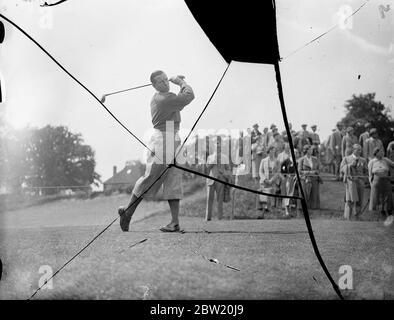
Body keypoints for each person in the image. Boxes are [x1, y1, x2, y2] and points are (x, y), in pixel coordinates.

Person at [118, 71, 195, 232]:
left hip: (174, 137)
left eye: (166, 79)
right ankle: (128, 212)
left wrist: (179, 84)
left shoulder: (167, 97)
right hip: (163, 138)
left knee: (173, 180)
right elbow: (188, 96)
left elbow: (180, 100)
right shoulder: (162, 99)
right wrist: (180, 82)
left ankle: (174, 223)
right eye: (160, 82)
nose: (165, 83)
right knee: (150, 178)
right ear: (154, 86)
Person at [205, 136, 232, 221]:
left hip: (221, 180)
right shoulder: (210, 157)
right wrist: (214, 161)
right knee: (209, 199)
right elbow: (207, 168)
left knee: (220, 200)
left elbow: (228, 169)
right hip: (211, 180)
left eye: (219, 146)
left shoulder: (225, 157)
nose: (218, 148)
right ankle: (208, 217)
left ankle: (220, 217)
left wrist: (225, 173)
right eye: (216, 146)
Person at [340, 144, 368, 220]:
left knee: (359, 200)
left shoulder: (363, 160)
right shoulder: (346, 158)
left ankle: (357, 217)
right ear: (353, 150)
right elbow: (342, 169)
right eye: (358, 149)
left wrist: (364, 180)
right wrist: (349, 165)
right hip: (350, 182)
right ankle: (348, 217)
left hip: (360, 182)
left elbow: (366, 171)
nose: (360, 151)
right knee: (349, 200)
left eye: (360, 149)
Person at [368, 147, 394, 226]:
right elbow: (369, 173)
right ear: (376, 153)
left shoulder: (385, 160)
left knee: (387, 195)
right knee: (376, 197)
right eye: (381, 152)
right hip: (376, 180)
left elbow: (393, 164)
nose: (382, 153)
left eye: (383, 152)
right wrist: (370, 182)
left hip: (386, 180)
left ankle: (388, 212)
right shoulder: (372, 161)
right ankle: (378, 214)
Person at [258, 145, 282, 217]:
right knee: (264, 197)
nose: (273, 151)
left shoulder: (277, 161)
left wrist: (272, 180)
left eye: (274, 150)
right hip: (265, 181)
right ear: (269, 151)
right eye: (271, 150)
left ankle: (272, 213)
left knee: (272, 197)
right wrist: (265, 179)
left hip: (273, 181)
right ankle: (263, 213)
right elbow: (260, 171)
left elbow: (278, 172)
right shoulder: (263, 160)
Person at [298, 144, 321, 210]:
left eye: (311, 149)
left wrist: (316, 172)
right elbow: (299, 171)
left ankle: (314, 207)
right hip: (305, 179)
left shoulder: (315, 159)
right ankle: (303, 207)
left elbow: (319, 169)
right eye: (310, 149)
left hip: (314, 178)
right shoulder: (301, 159)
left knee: (314, 193)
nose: (311, 151)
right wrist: (310, 173)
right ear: (306, 150)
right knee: (304, 193)